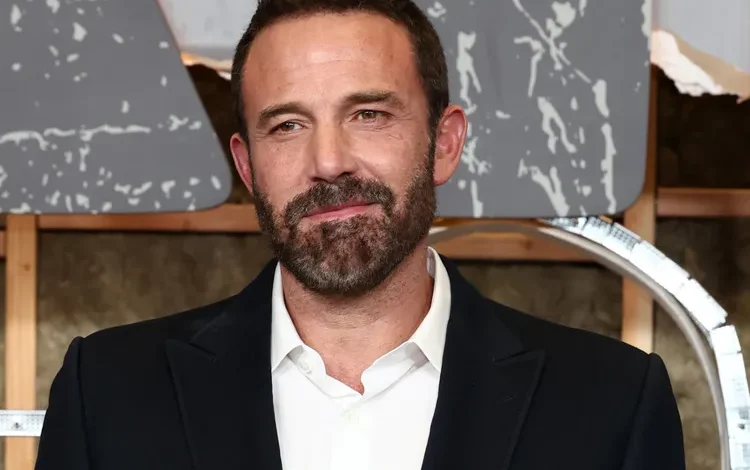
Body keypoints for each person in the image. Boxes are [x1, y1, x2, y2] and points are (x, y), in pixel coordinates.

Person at [36, 0, 686, 469]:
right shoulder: (108, 393)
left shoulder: (612, 405)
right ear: (248, 167)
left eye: (368, 114)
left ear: (444, 143)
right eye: (287, 126)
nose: (328, 161)